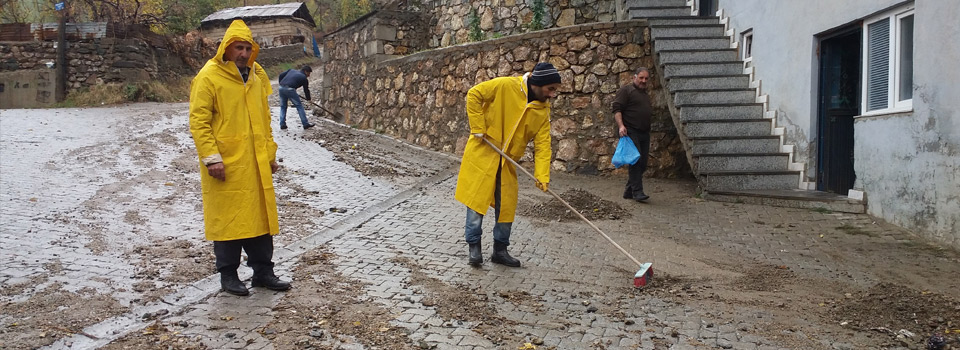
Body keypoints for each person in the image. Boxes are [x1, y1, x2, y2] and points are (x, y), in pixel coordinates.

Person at [188, 19, 291, 296]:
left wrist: (270, 154)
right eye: (238, 48)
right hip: (226, 163)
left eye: (247, 48)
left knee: (260, 221)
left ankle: (263, 273)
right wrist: (211, 158)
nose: (244, 53)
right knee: (229, 220)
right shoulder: (209, 76)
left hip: (256, 163)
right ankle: (228, 275)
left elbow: (265, 119)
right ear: (226, 48)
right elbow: (199, 121)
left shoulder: (256, 75)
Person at [454, 62, 562, 268]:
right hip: (483, 153)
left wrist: (542, 175)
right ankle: (474, 247)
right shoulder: (505, 86)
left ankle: (500, 250)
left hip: (507, 162)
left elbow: (543, 145)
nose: (552, 94)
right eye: (551, 89)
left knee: (506, 206)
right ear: (538, 84)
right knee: (476, 204)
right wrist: (478, 126)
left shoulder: (542, 111)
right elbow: (474, 94)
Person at [613, 67, 653, 202]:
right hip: (630, 131)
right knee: (636, 161)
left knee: (643, 164)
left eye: (646, 78)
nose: (643, 81)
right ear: (634, 77)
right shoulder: (626, 91)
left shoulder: (645, 94)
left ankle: (629, 190)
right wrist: (621, 126)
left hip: (644, 132)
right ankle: (638, 192)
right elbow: (617, 109)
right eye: (641, 78)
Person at [277, 65, 315, 130]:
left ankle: (282, 124)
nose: (309, 75)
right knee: (299, 106)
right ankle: (305, 124)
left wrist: (281, 83)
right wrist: (309, 99)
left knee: (283, 106)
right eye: (309, 73)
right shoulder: (304, 78)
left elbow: (281, 75)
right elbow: (306, 90)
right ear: (305, 71)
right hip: (290, 89)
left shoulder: (291, 70)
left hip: (281, 88)